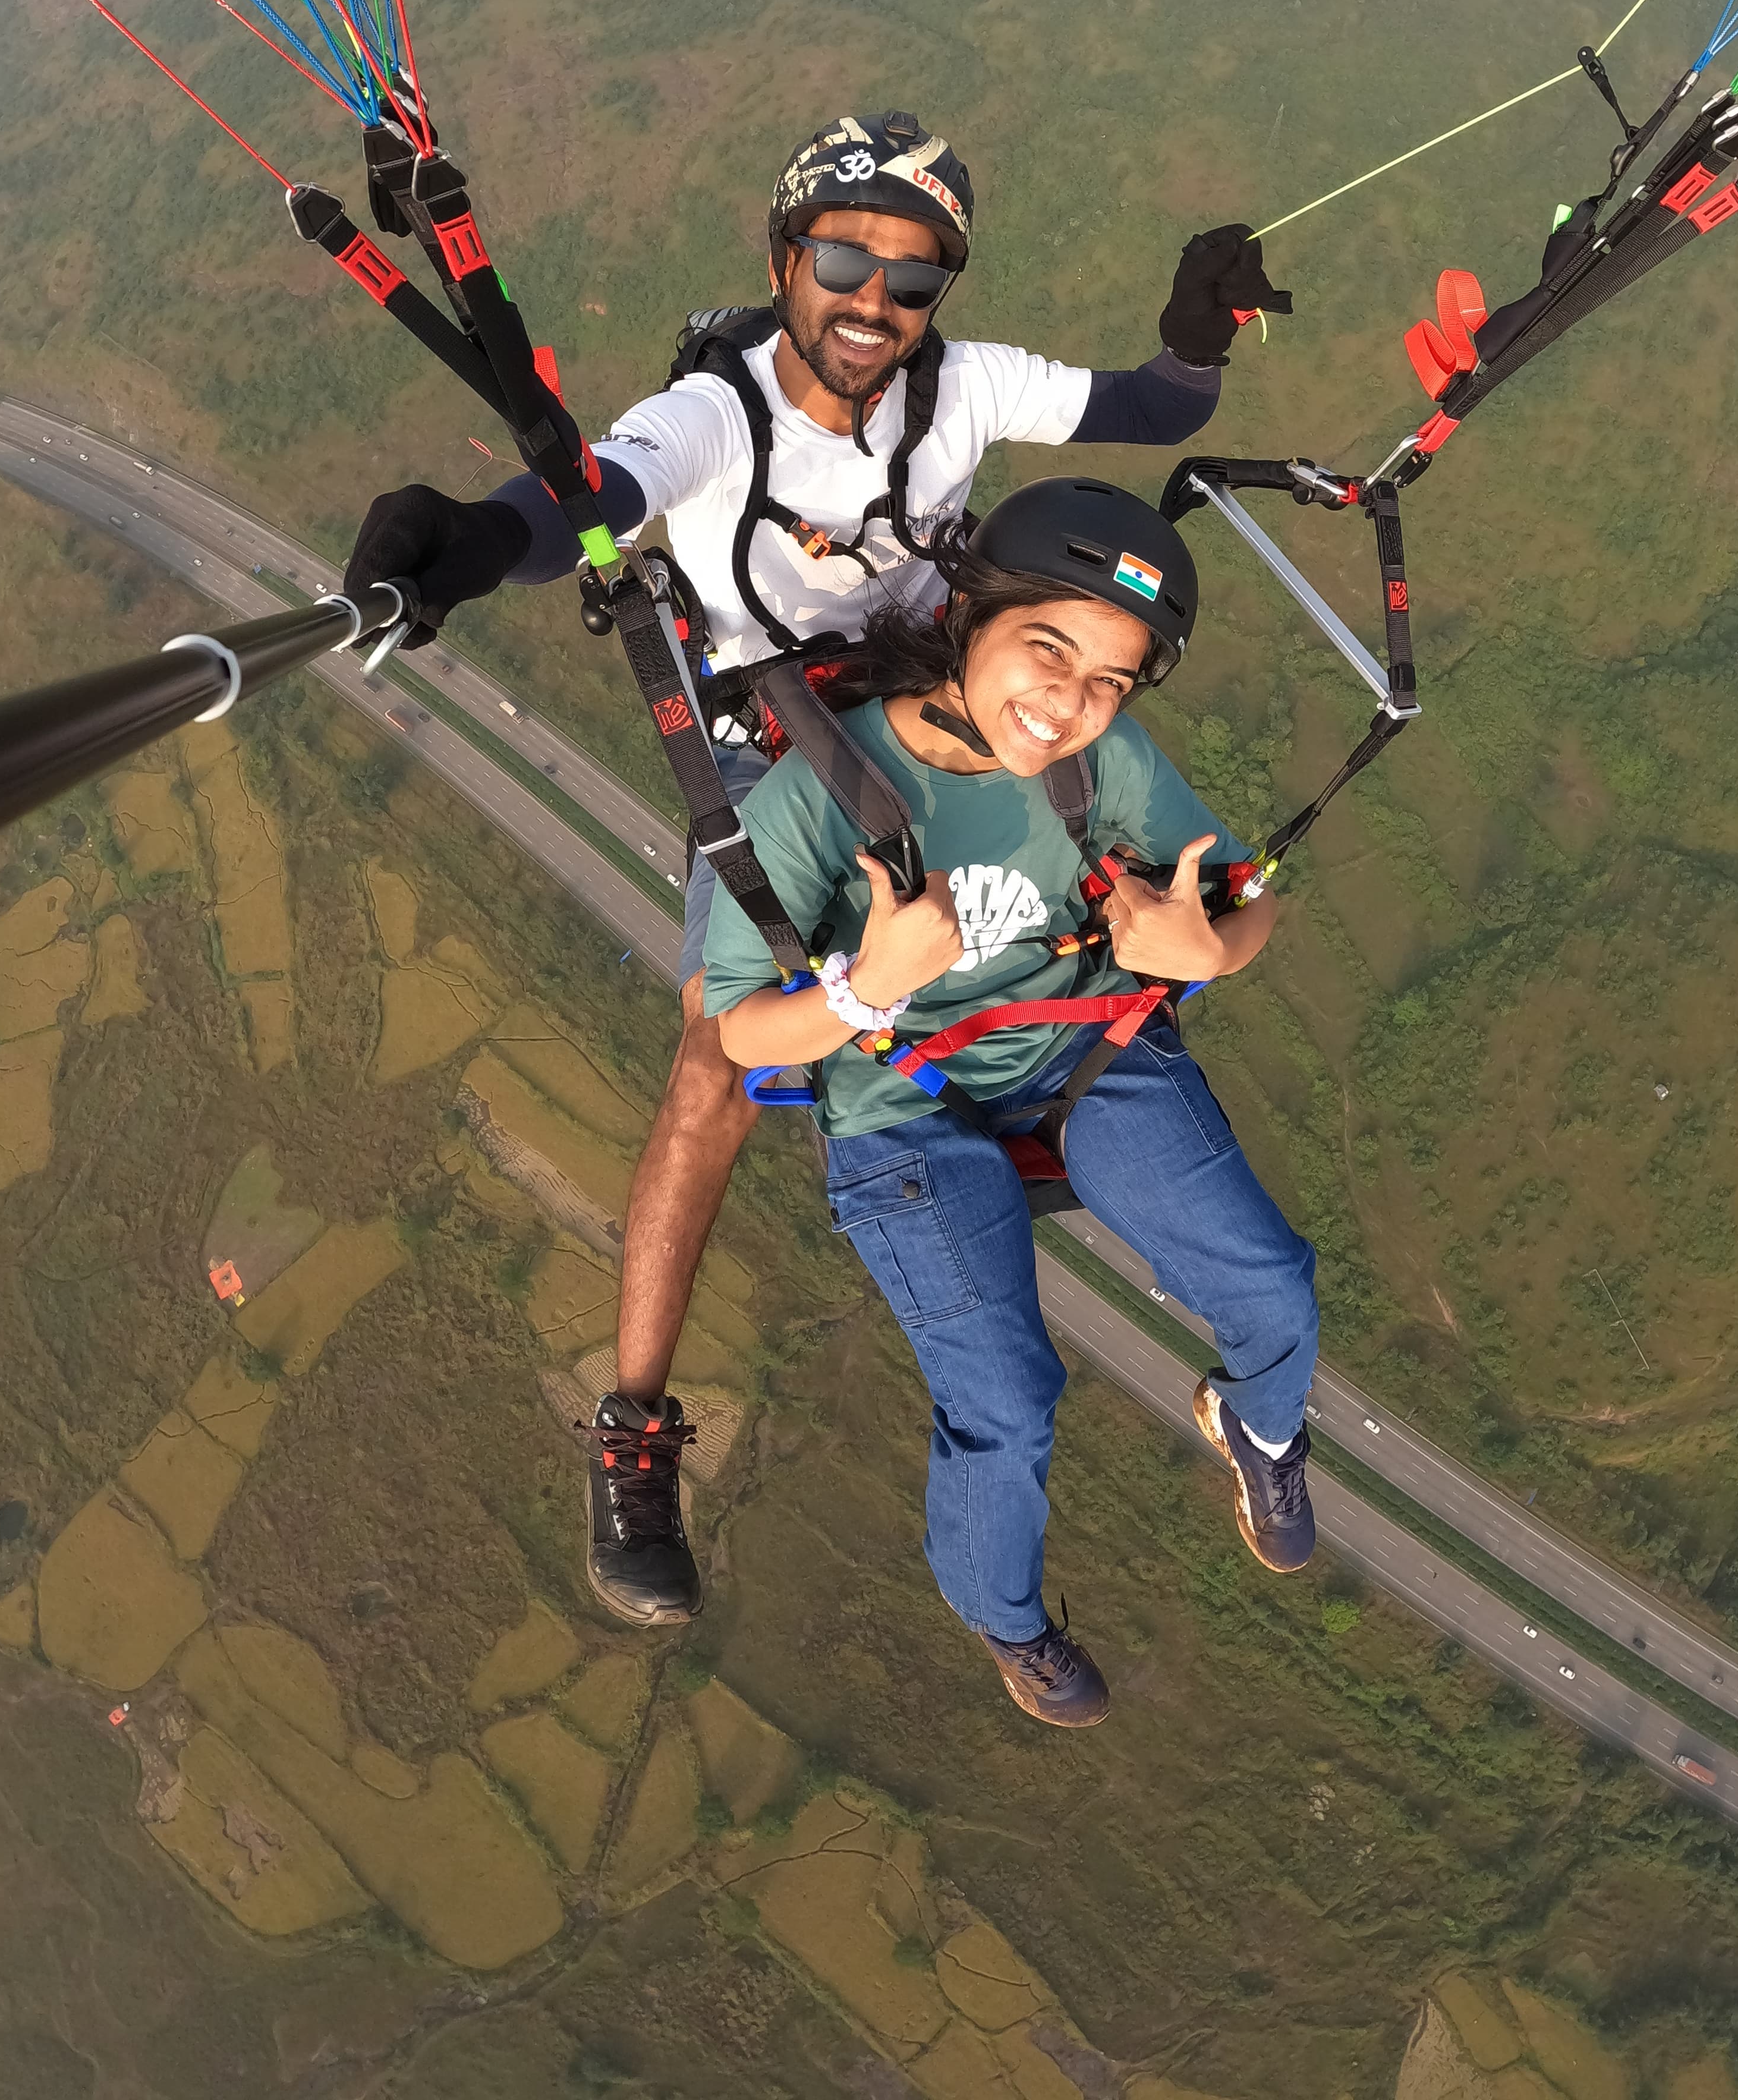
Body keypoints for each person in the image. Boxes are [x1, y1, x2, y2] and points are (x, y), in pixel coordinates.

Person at [341, 109, 1290, 1628]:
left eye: (913, 280)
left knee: (1122, 870)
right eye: (845, 259)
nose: (875, 303)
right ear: (788, 258)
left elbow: (1153, 405)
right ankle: (634, 1434)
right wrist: (464, 545)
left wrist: (1201, 333)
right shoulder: (718, 416)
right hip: (779, 743)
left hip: (951, 692)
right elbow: (596, 496)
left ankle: (1067, 1115)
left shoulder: (960, 388)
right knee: (715, 1068)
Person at [704, 476, 1318, 1724]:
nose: (1071, 703)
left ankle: (1258, 1428)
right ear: (970, 612)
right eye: (1050, 648)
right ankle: (1006, 1617)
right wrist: (869, 985)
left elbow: (1249, 899)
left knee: (1273, 1283)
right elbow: (737, 1026)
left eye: (1110, 680)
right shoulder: (816, 798)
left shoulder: (1107, 766)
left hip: (1081, 1052)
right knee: (1006, 1399)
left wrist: (1209, 953)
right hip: (902, 1106)